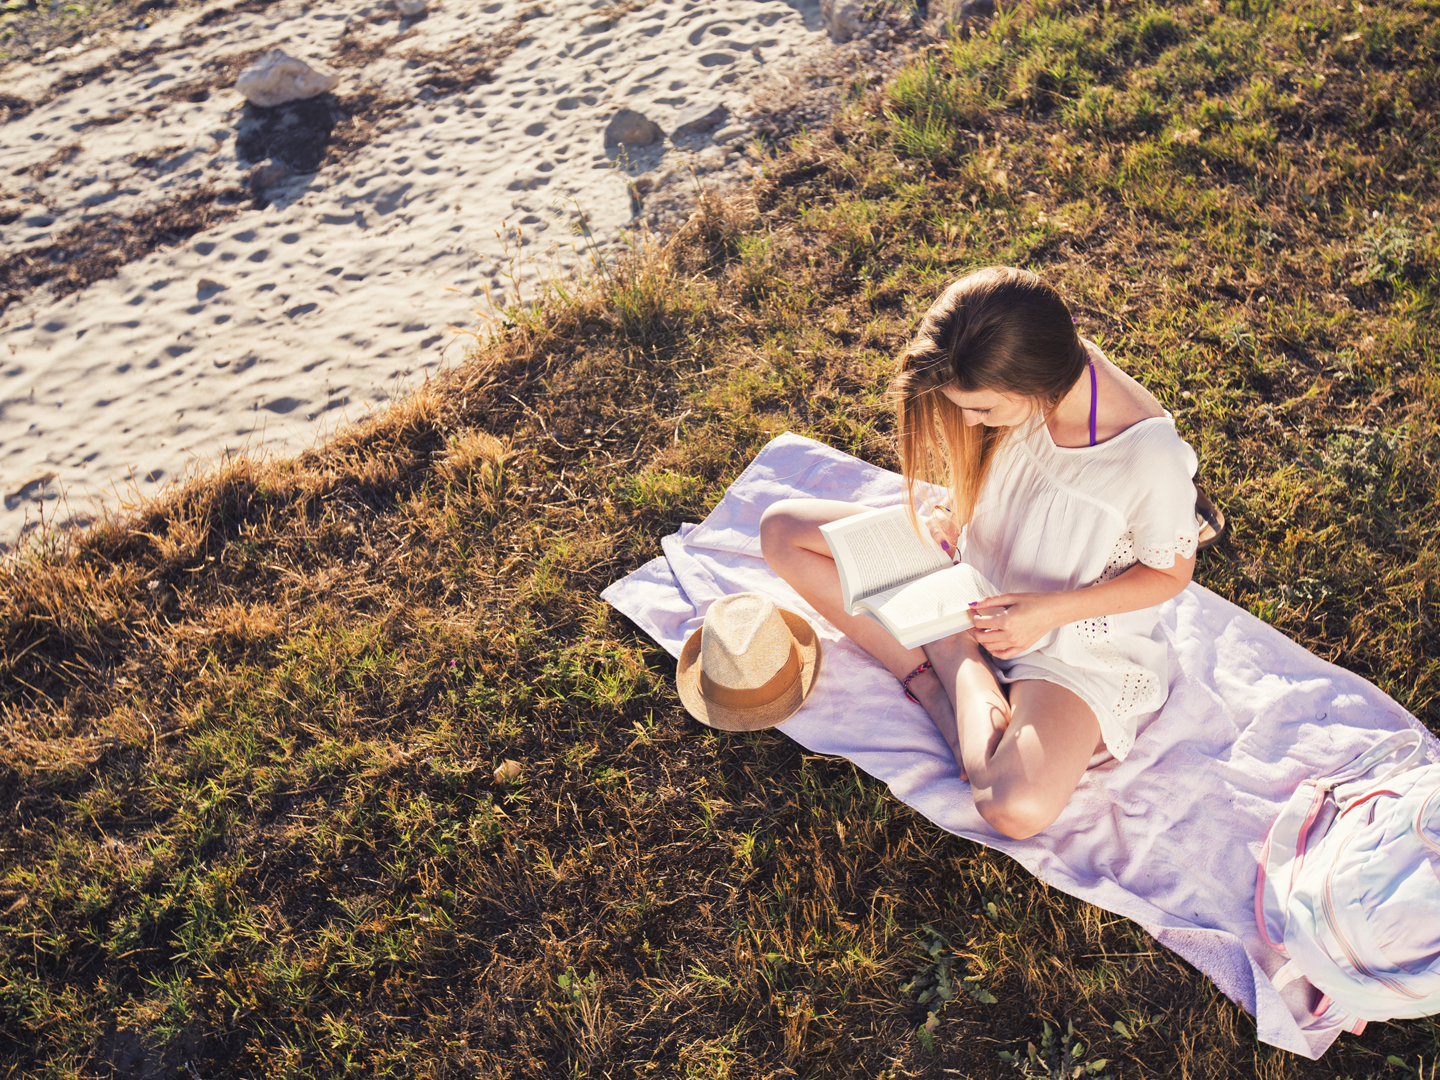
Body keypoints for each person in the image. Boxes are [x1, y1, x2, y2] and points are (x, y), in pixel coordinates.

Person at [759, 266, 1200, 839]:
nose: (970, 421)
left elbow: (1170, 574)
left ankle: (949, 657)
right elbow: (1003, 472)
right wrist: (955, 515)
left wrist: (1046, 613)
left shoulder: (1147, 454)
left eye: (984, 411)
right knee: (782, 531)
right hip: (966, 572)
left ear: (1034, 385)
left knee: (1015, 806)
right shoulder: (1029, 358)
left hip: (1060, 639)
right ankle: (936, 665)